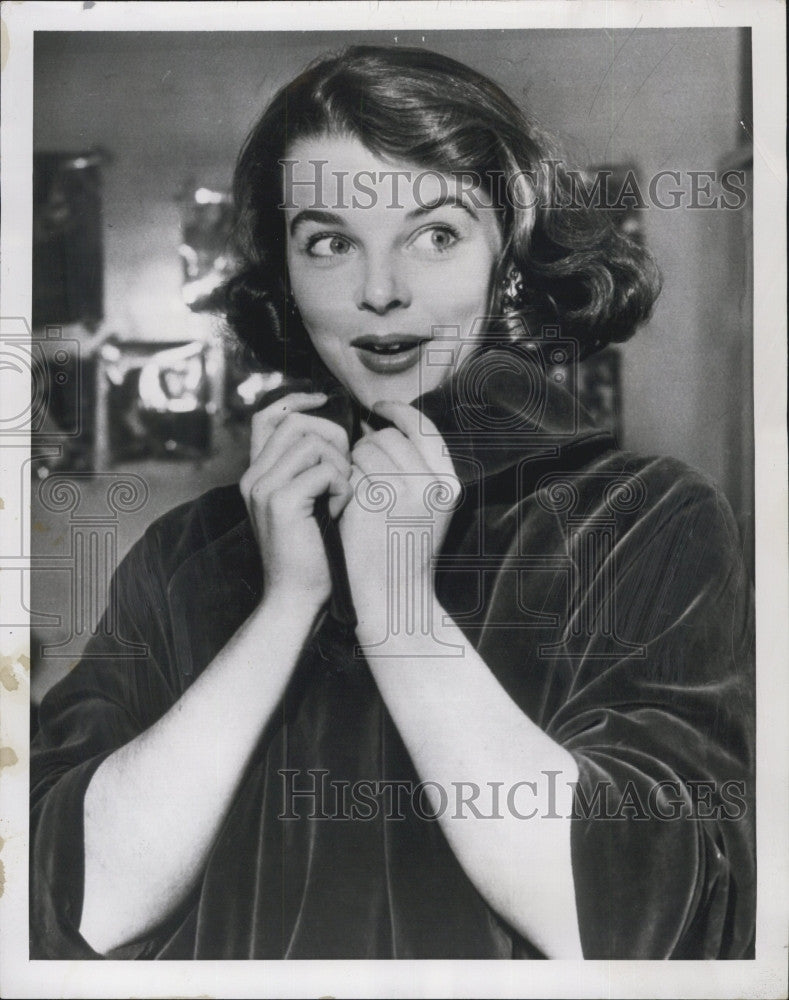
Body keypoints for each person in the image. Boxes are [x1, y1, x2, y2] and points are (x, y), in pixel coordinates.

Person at [30, 45, 755, 960]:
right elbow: (65, 910)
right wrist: (285, 607)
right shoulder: (190, 552)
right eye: (329, 242)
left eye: (436, 234)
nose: (379, 291)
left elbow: (646, 930)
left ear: (512, 257)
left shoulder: (646, 522)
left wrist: (400, 613)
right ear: (285, 278)